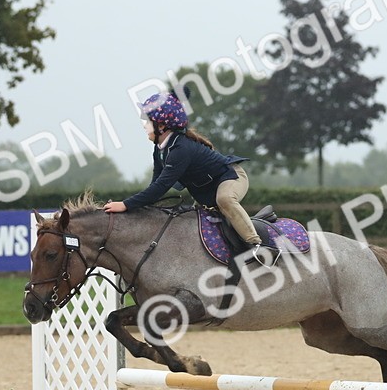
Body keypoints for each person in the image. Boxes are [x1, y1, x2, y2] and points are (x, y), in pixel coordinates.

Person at [102, 92, 277, 266]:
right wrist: (139, 208)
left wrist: (125, 205)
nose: (144, 126)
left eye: (147, 122)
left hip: (232, 177)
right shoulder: (160, 150)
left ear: (162, 126)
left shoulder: (181, 149)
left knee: (224, 199)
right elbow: (154, 185)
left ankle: (258, 246)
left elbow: (161, 187)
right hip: (207, 191)